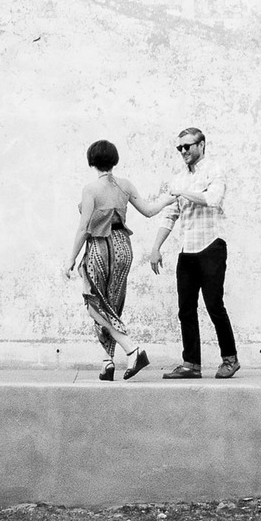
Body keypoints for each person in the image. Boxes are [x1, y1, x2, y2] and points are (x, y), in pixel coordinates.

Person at [66, 139, 175, 380]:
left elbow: (84, 227)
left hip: (99, 247)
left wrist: (71, 259)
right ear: (114, 160)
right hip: (123, 247)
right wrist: (167, 199)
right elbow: (148, 211)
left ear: (92, 161)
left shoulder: (90, 189)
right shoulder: (125, 185)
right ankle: (107, 362)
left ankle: (132, 350)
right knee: (112, 304)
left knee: (96, 304)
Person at [143, 126, 239, 379]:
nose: (183, 151)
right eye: (179, 148)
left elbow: (213, 199)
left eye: (187, 146)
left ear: (201, 145)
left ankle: (230, 359)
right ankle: (191, 364)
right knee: (185, 309)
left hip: (211, 245)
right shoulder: (178, 178)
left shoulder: (214, 169)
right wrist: (155, 247)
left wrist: (180, 193)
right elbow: (169, 214)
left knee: (214, 305)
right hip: (188, 250)